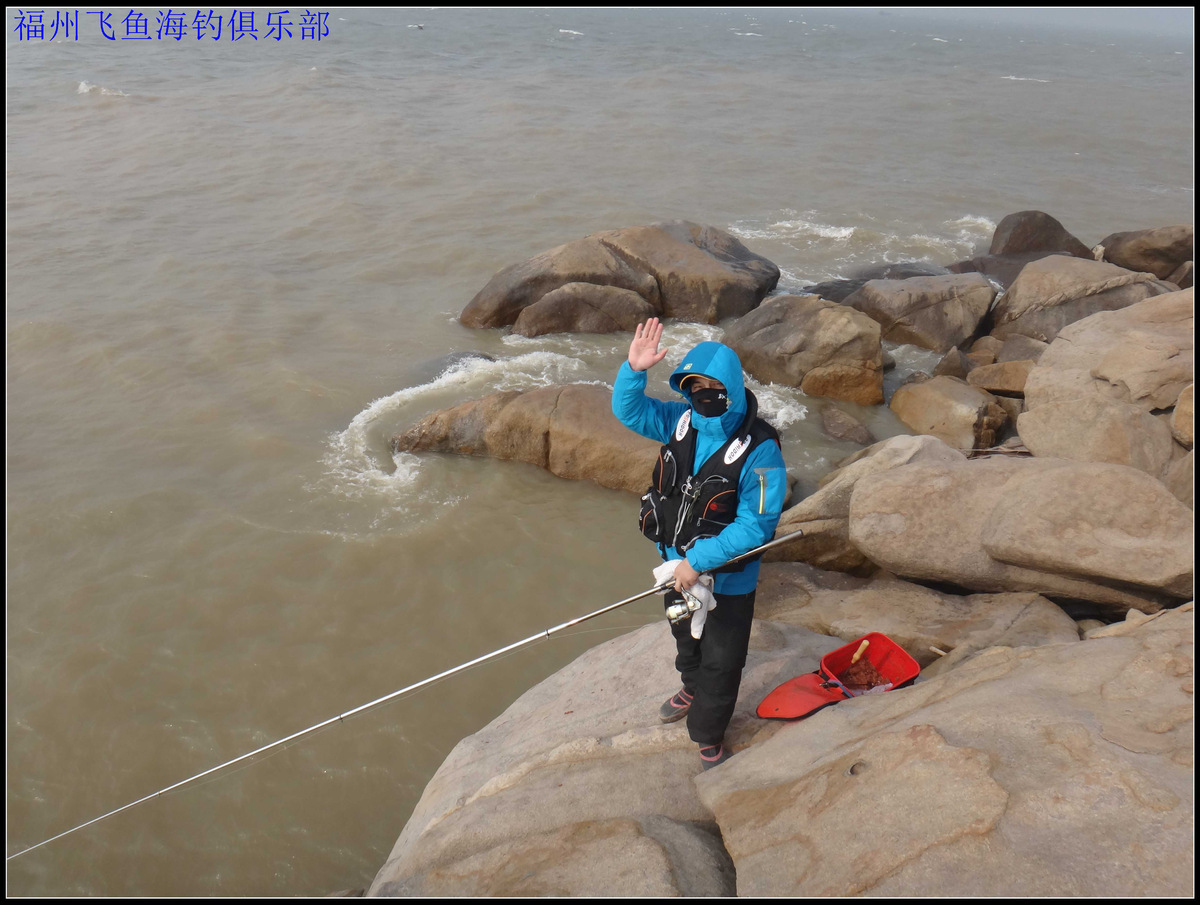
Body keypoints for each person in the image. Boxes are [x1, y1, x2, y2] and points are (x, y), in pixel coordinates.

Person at [612, 317, 787, 770]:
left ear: (730, 387)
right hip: (675, 567)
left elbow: (757, 526)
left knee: (723, 659)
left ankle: (708, 733)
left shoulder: (763, 450)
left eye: (712, 386)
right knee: (683, 635)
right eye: (693, 385)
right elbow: (629, 412)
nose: (702, 393)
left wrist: (700, 560)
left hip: (727, 581)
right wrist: (634, 370)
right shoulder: (678, 419)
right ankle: (690, 685)